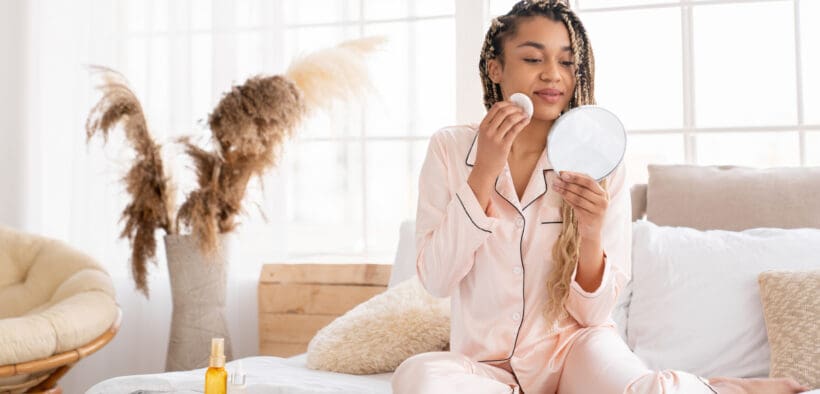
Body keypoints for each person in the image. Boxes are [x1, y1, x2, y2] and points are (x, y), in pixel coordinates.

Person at [390, 1, 810, 393]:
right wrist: (483, 171)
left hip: (574, 351)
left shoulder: (598, 157)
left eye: (567, 62)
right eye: (533, 58)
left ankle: (720, 388)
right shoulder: (450, 148)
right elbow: (437, 280)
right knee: (417, 375)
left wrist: (590, 232)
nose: (553, 74)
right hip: (485, 365)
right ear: (495, 68)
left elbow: (592, 315)